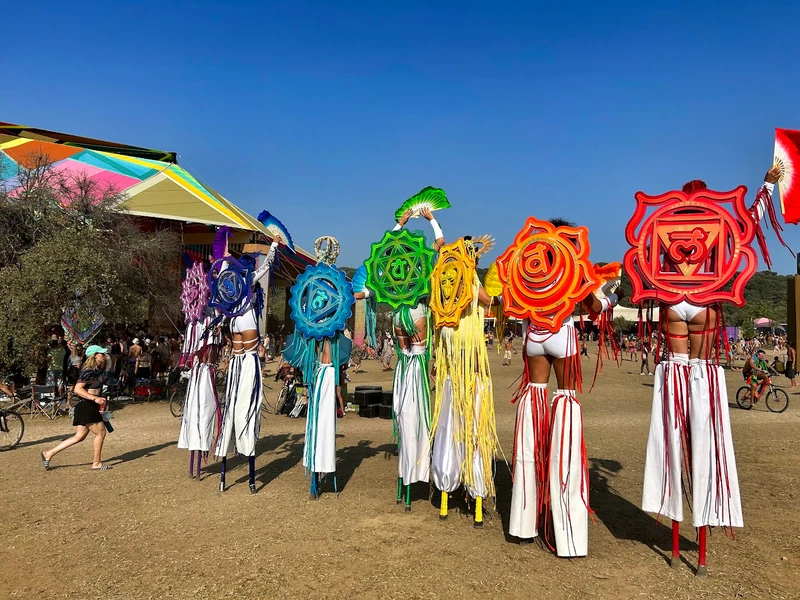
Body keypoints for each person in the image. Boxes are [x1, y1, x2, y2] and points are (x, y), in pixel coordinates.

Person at [504, 219, 621, 558]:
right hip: (562, 334)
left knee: (532, 412)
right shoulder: (571, 267)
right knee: (566, 408)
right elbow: (594, 307)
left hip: (534, 337)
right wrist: (611, 298)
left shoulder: (526, 266)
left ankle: (524, 524)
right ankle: (566, 529)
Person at [215, 231, 283, 494]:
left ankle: (223, 476)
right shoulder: (247, 278)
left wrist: (224, 256)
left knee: (232, 403)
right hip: (248, 325)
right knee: (248, 405)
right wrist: (274, 244)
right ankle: (251, 474)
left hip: (233, 327)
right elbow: (265, 266)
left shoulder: (225, 280)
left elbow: (221, 262)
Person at [40, 345, 111, 471]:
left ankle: (49, 453)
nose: (105, 356)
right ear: (95, 355)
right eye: (102, 354)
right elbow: (78, 389)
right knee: (101, 432)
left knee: (79, 436)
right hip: (85, 405)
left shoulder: (96, 370)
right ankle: (96, 463)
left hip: (88, 405)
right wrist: (95, 398)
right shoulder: (88, 370)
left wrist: (99, 399)